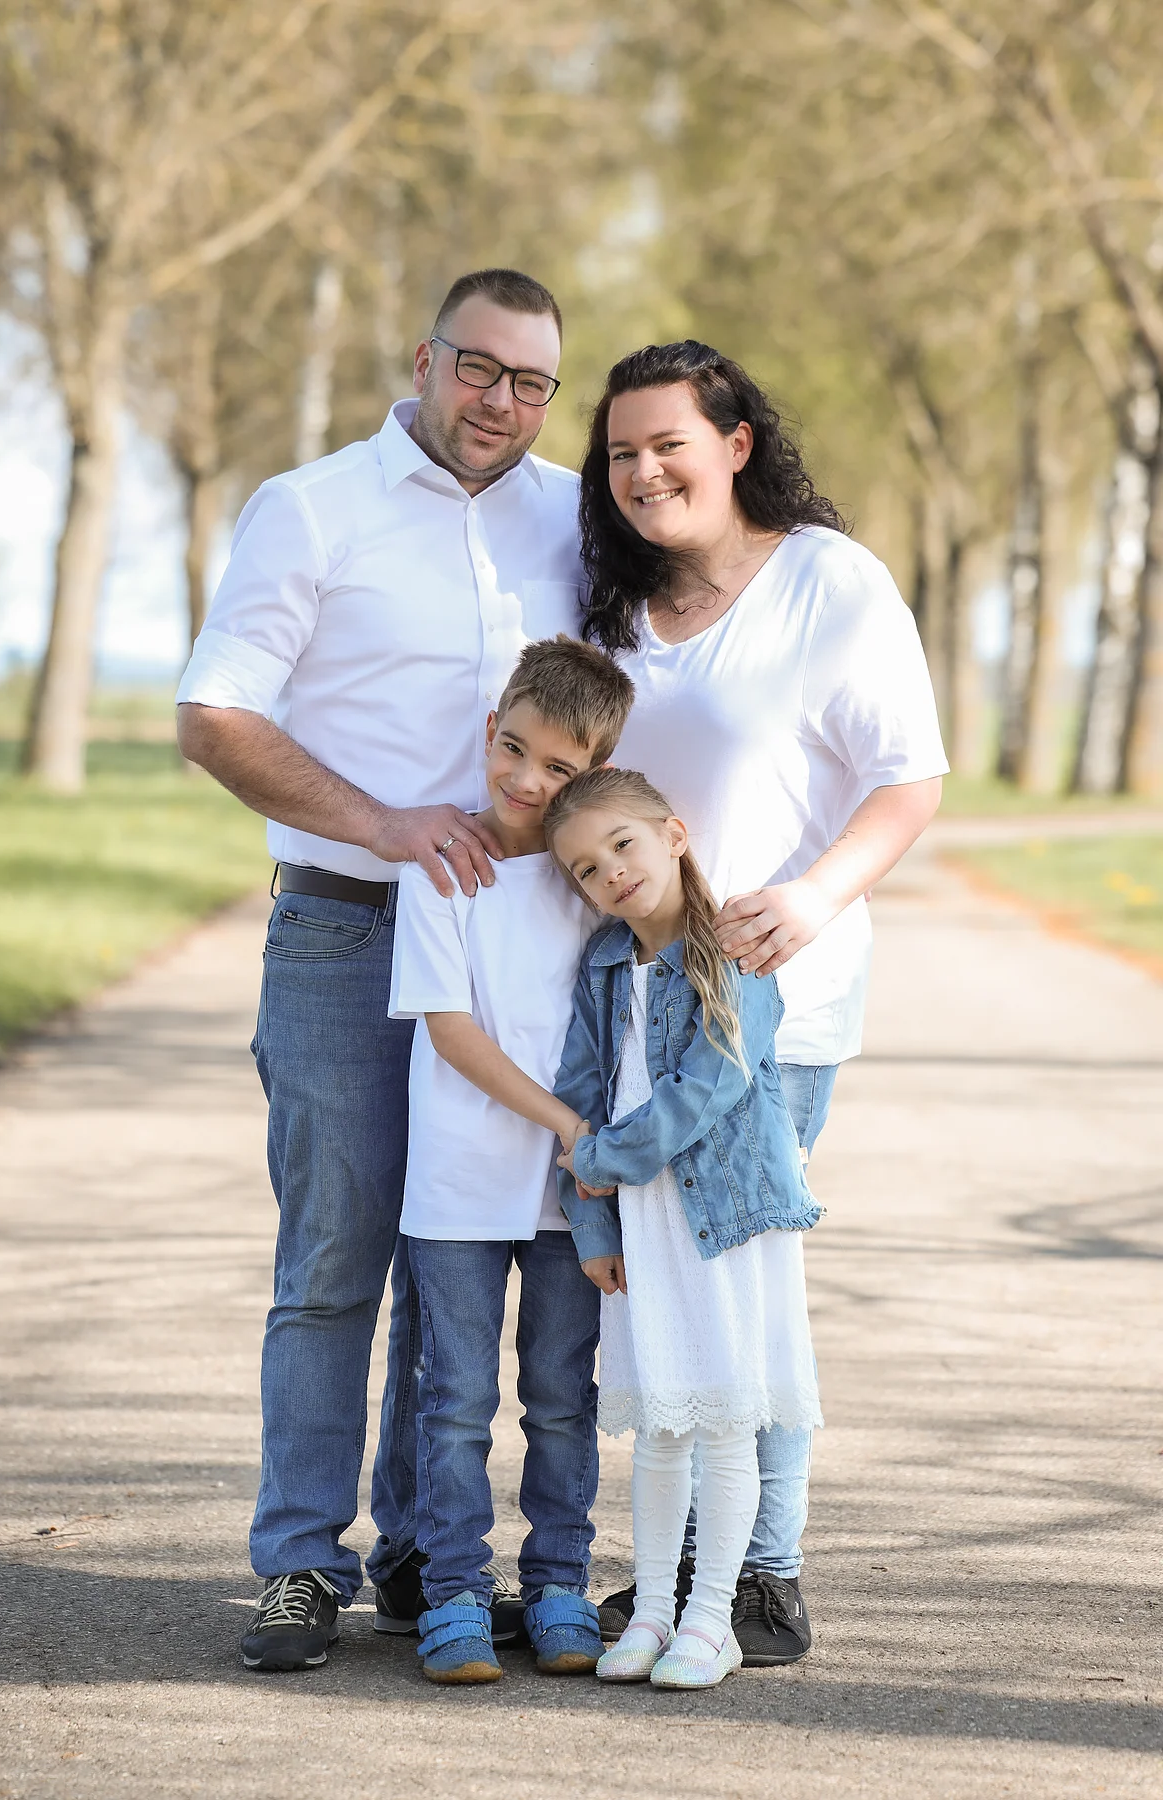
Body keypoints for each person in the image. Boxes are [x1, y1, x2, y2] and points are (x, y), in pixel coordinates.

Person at [175, 267, 583, 1673]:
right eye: (479, 367)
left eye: (532, 382)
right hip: (346, 926)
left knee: (457, 1255)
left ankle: (424, 1555)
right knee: (336, 1256)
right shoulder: (311, 507)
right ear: (423, 358)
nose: (501, 401)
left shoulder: (572, 518)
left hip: (510, 941)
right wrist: (384, 823)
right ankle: (300, 1561)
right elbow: (214, 714)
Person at [577, 340, 948, 1665]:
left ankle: (764, 1573)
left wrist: (815, 896)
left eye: (668, 444)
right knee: (673, 1296)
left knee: (749, 1290)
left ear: (737, 445)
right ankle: (689, 1572)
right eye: (621, 452)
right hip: (640, 1010)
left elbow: (908, 779)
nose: (642, 472)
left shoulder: (828, 584)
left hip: (769, 1007)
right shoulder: (614, 608)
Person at [544, 764, 823, 1690]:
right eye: (586, 868)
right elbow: (580, 1095)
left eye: (622, 844)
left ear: (673, 834)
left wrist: (601, 1160)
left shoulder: (734, 953)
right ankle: (654, 1612)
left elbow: (707, 1090)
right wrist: (593, 1227)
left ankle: (712, 1620)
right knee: (662, 1424)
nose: (610, 873)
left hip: (727, 1219)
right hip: (643, 1221)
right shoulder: (603, 963)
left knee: (727, 1422)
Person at [389, 637, 634, 1685]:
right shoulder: (443, 865)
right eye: (514, 749)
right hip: (458, 1181)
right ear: (491, 729)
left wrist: (585, 1145)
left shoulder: (593, 881)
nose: (528, 780)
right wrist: (567, 1123)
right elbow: (452, 1031)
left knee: (561, 1396)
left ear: (597, 769)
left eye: (561, 768)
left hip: (571, 1194)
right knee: (451, 1400)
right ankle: (451, 1591)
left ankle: (558, 1586)